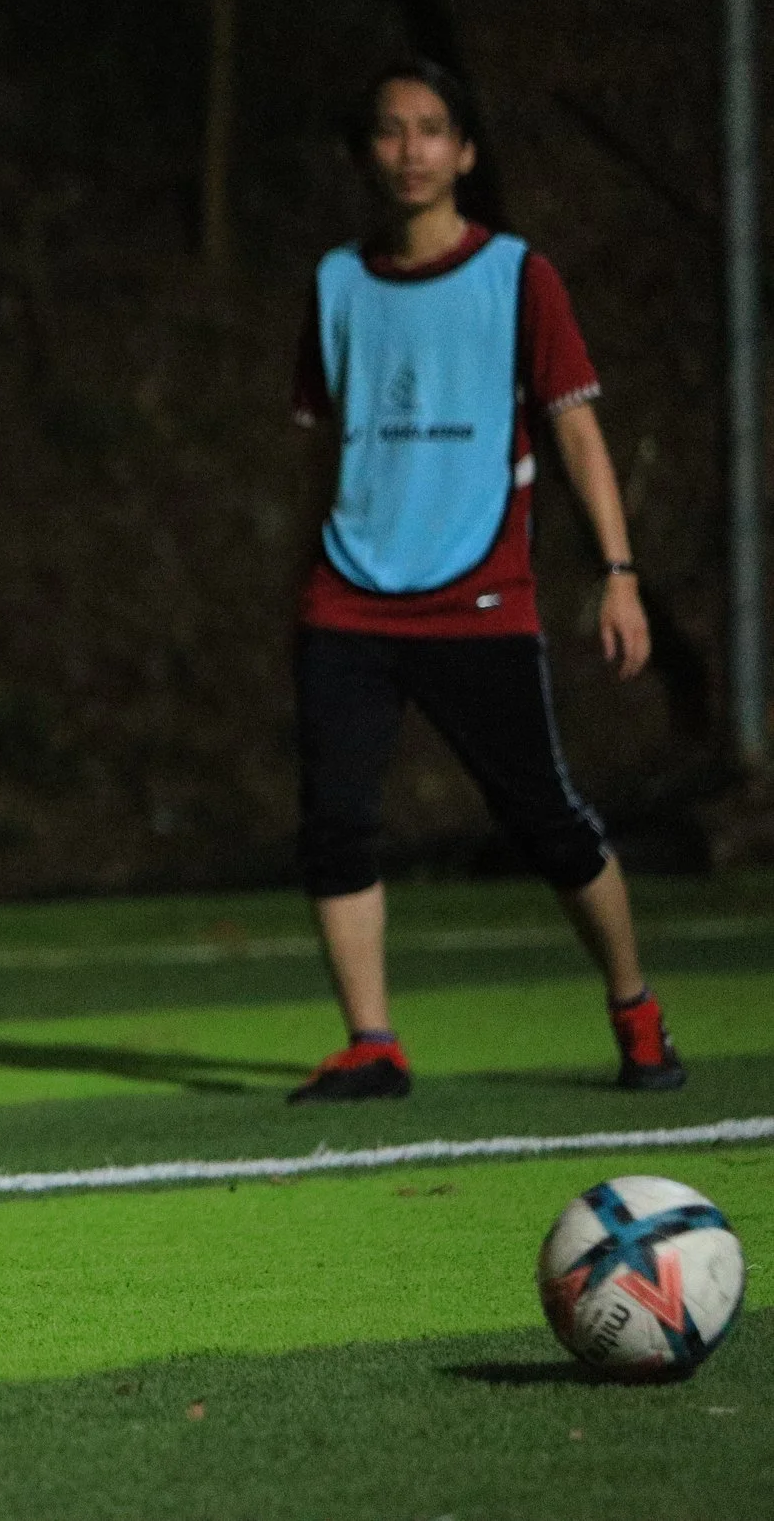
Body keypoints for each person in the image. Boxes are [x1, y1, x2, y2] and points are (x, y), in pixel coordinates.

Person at [284, 59, 682, 1104]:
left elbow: (576, 429)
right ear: (366, 153)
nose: (410, 148)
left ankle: (635, 1009)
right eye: (389, 129)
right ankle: (372, 1042)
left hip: (479, 597)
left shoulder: (517, 275)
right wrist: (306, 570)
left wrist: (620, 573)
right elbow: (320, 441)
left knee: (545, 817)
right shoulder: (336, 283)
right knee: (334, 821)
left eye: (431, 129)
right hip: (348, 596)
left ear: (464, 152)